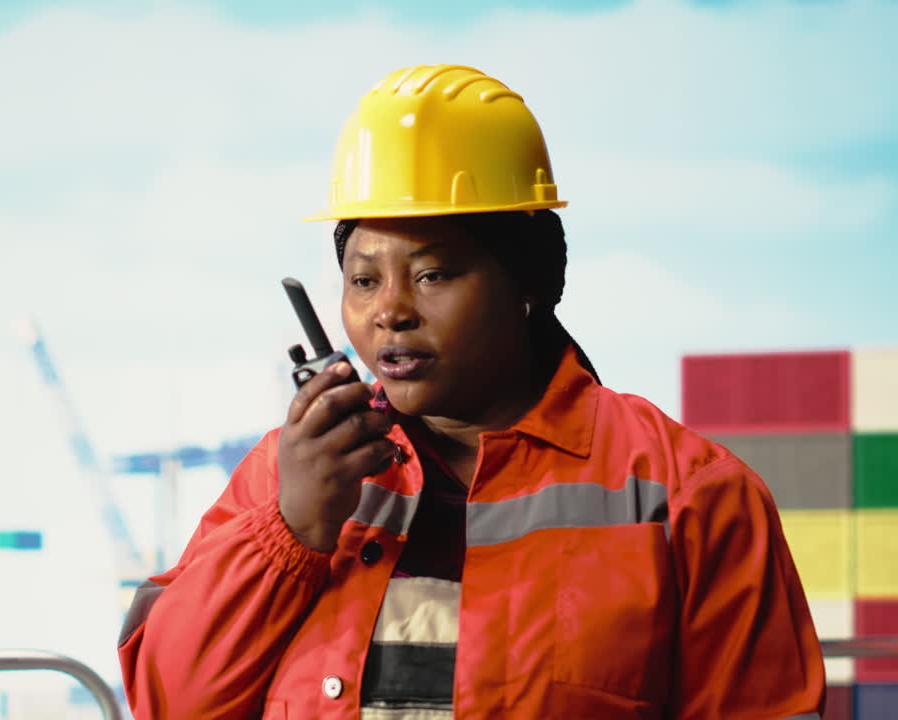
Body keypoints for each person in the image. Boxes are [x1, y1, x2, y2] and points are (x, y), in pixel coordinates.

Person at [117, 64, 826, 719]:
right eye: (364, 279)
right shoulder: (286, 475)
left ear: (529, 283)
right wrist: (290, 533)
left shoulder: (691, 496)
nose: (389, 310)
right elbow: (166, 703)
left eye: (433, 275)